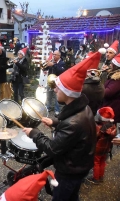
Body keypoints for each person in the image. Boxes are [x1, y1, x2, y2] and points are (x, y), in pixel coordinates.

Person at [22, 51, 103, 201]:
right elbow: (75, 127)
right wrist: (55, 122)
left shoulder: (73, 122)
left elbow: (53, 149)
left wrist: (35, 133)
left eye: (58, 88)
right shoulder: (83, 107)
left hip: (70, 171)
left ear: (68, 92)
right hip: (80, 165)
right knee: (72, 197)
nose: (55, 90)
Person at [86, 107, 116, 184]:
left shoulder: (99, 127)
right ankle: (101, 177)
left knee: (96, 163)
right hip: (106, 148)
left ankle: (95, 178)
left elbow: (95, 136)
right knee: (102, 162)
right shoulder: (113, 126)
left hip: (98, 148)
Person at [43, 50, 65, 116]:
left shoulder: (62, 63)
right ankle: (48, 107)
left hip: (58, 82)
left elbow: (61, 71)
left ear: (59, 56)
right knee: (48, 95)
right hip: (50, 81)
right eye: (53, 54)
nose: (54, 56)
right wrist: (45, 65)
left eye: (55, 54)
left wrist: (53, 65)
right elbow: (45, 69)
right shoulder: (52, 61)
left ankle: (57, 110)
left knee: (56, 97)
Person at [101, 53, 120, 124]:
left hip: (112, 108)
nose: (110, 65)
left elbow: (107, 93)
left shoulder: (117, 79)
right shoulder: (114, 75)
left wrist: (97, 88)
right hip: (111, 107)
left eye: (112, 64)